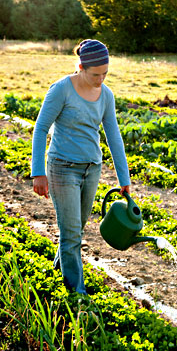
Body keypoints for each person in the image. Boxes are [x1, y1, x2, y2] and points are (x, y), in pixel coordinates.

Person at [31, 39, 131, 295]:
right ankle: (77, 293)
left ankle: (58, 270)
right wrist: (38, 172)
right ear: (81, 67)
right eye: (96, 74)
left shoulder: (106, 95)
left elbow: (113, 135)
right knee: (72, 232)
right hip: (63, 167)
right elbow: (41, 129)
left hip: (92, 168)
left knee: (75, 228)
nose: (101, 79)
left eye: (105, 74)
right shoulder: (61, 90)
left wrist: (124, 177)